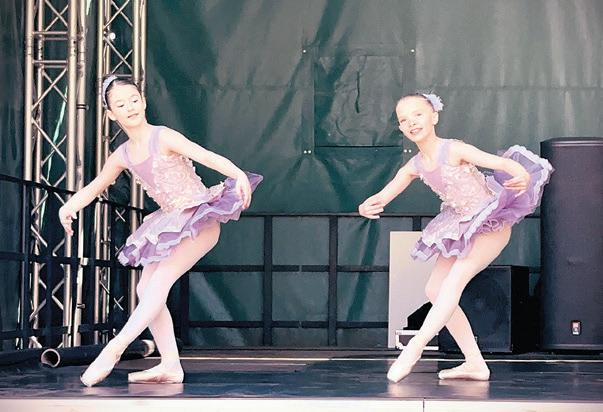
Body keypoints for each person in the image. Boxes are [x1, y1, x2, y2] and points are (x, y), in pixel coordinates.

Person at [59, 75, 262, 386]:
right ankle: (170, 364)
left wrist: (238, 174)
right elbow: (96, 186)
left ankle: (115, 348)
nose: (130, 107)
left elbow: (203, 155)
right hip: (171, 223)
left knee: (159, 282)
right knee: (145, 289)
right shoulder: (123, 154)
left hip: (199, 218)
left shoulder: (163, 136)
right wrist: (68, 207)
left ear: (143, 101)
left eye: (134, 99)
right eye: (121, 104)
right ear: (111, 114)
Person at [358, 93, 553, 382]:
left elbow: (500, 164)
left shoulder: (454, 149)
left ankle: (413, 349)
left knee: (453, 282)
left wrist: (519, 172)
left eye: (417, 114)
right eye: (404, 119)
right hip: (459, 224)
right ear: (400, 128)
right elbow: (383, 195)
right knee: (434, 290)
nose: (411, 122)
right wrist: (366, 205)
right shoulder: (414, 166)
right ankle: (475, 363)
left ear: (434, 116)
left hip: (489, 222)